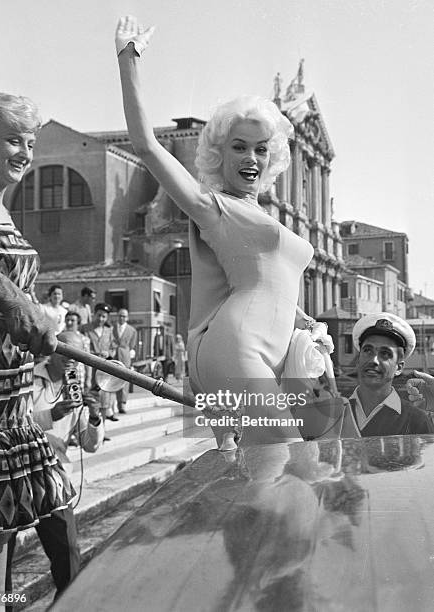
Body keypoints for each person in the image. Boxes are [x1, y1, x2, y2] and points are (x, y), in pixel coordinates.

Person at [115, 16, 332, 446]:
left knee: (277, 472)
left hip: (273, 346)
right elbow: (145, 146)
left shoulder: (261, 215)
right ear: (219, 152)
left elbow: (272, 284)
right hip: (237, 346)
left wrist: (307, 323)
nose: (250, 157)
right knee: (286, 462)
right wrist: (128, 59)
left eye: (260, 148)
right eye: (238, 147)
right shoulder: (213, 207)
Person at [0, 92, 72, 602]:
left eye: (31, 142)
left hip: (8, 405)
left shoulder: (4, 213)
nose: (25, 152)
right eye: (13, 139)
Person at [6, 330, 104, 601]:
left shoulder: (74, 387)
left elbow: (89, 444)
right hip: (16, 471)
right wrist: (52, 414)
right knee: (2, 557)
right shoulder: (26, 376)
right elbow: (14, 422)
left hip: (54, 476)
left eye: (79, 357)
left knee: (69, 553)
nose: (74, 361)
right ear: (54, 350)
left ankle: (66, 604)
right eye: (70, 354)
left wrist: (94, 417)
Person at [342, 313, 434, 437]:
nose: (374, 360)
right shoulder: (335, 412)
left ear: (399, 367)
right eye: (368, 350)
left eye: (385, 354)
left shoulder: (417, 421)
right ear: (358, 360)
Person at [83, 303, 118, 427]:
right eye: (99, 315)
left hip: (102, 370)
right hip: (88, 369)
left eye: (104, 317)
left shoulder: (108, 331)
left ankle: (102, 431)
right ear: (94, 314)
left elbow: (113, 347)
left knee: (103, 401)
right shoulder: (85, 328)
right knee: (87, 399)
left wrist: (108, 353)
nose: (101, 319)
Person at [112, 308, 137, 415]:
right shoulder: (112, 328)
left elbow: (132, 345)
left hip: (125, 356)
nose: (122, 318)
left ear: (127, 318)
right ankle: (110, 405)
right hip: (113, 355)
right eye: (120, 316)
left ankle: (122, 404)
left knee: (124, 380)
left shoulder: (132, 330)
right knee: (112, 379)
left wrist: (128, 353)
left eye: (124, 316)